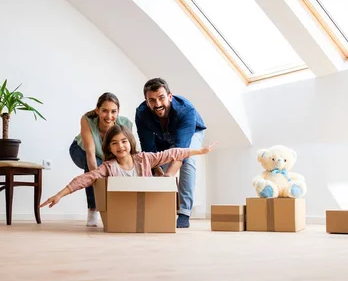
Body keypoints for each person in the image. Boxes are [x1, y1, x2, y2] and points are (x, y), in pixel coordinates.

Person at [42, 125, 217, 209]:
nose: (121, 146)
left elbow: (173, 153)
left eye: (124, 141)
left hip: (146, 206)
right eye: (114, 143)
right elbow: (85, 179)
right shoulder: (109, 167)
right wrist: (59, 195)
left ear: (130, 142)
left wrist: (199, 151)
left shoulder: (144, 159)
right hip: (123, 209)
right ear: (109, 148)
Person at [135, 78, 207, 229]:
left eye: (161, 98)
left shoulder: (186, 109)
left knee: (188, 159)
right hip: (163, 137)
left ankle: (184, 212)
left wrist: (167, 178)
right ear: (146, 102)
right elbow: (149, 152)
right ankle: (157, 210)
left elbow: (181, 150)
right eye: (152, 100)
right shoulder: (142, 114)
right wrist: (159, 173)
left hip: (192, 133)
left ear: (170, 96)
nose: (158, 104)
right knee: (153, 167)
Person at [69, 92, 133, 227]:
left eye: (113, 112)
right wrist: (97, 184)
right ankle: (93, 209)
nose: (109, 116)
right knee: (95, 167)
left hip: (105, 156)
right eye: (104, 111)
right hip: (80, 151)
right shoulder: (87, 120)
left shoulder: (125, 123)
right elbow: (90, 154)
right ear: (97, 110)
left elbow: (127, 152)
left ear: (118, 112)